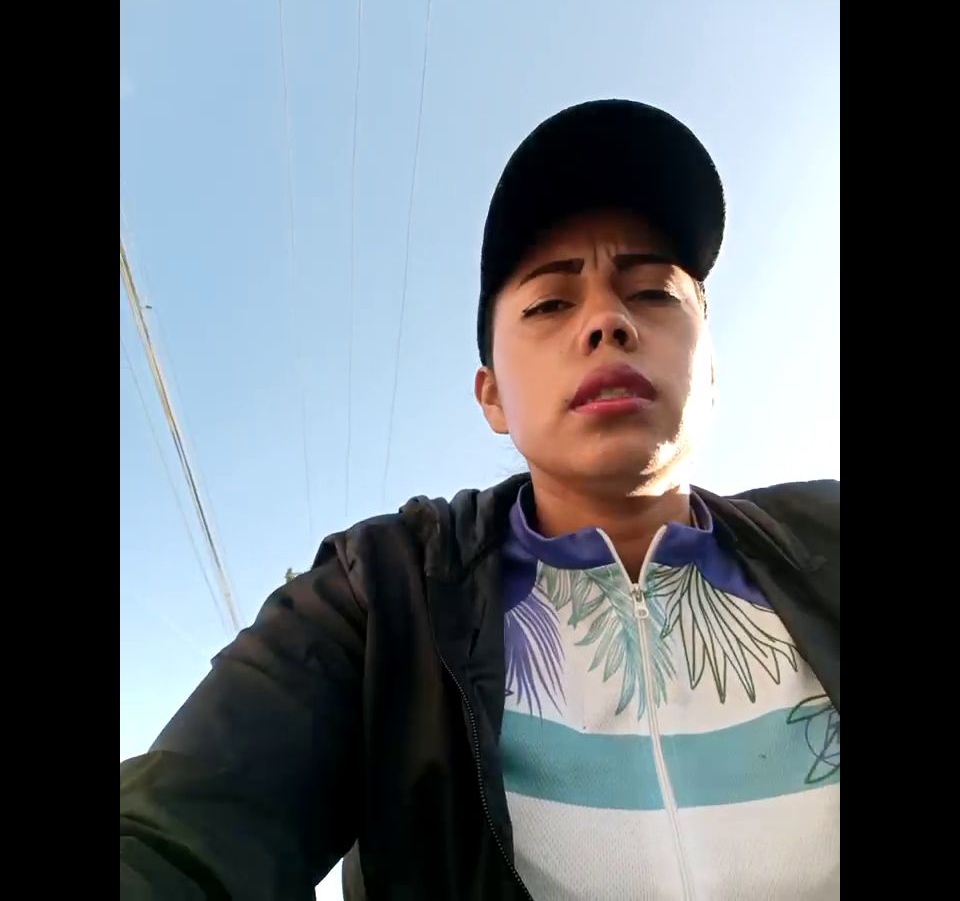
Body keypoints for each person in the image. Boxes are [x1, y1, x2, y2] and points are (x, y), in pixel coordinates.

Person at [120, 99, 840, 900]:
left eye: (651, 293)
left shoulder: (830, 540)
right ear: (492, 395)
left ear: (709, 372)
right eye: (550, 304)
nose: (607, 320)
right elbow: (181, 829)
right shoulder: (382, 595)